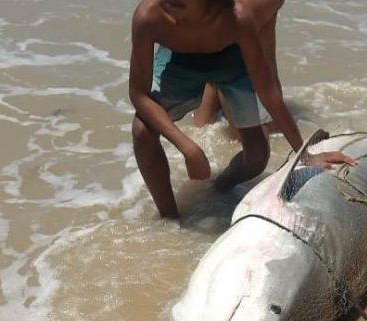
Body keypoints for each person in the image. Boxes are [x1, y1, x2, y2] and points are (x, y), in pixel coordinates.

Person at [129, 0, 354, 218]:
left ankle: (218, 188)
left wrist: (305, 156)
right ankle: (170, 218)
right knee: (142, 129)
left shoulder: (238, 17)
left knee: (257, 157)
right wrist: (189, 148)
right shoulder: (150, 15)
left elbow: (269, 93)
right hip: (179, 62)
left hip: (231, 59)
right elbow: (138, 95)